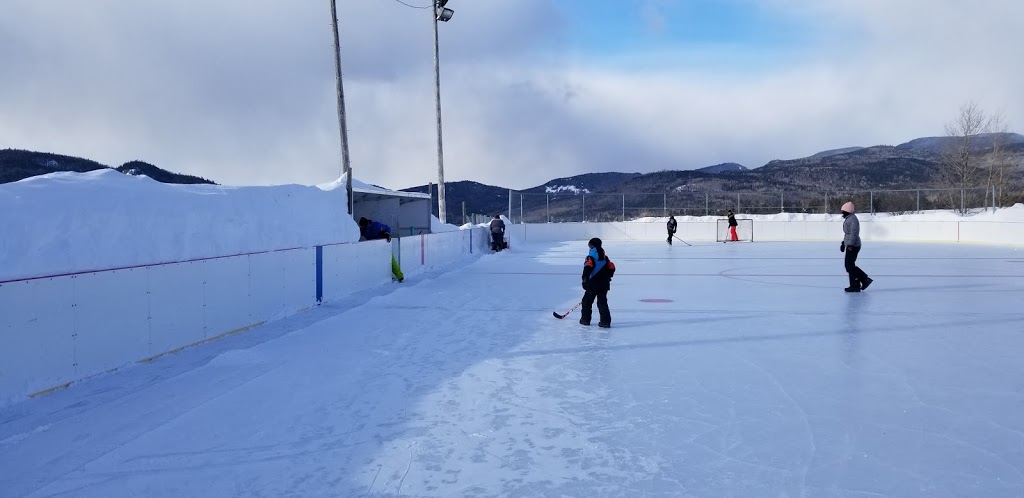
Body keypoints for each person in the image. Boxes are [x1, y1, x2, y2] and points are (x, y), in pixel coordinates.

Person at [580, 237, 616, 328]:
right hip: (604, 285)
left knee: (586, 302)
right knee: (602, 302)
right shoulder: (605, 258)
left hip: (593, 284)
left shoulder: (590, 258)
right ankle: (605, 322)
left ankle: (585, 320)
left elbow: (587, 270)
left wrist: (585, 281)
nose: (589, 248)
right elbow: (612, 267)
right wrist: (608, 277)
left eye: (590, 246)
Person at [840, 201, 873, 292]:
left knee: (849, 266)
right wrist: (843, 243)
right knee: (849, 265)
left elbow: (854, 233)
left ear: (847, 211)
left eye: (843, 211)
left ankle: (863, 280)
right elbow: (848, 234)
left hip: (854, 245)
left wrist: (849, 244)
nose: (842, 212)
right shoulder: (849, 218)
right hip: (851, 244)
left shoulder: (852, 219)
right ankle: (856, 284)